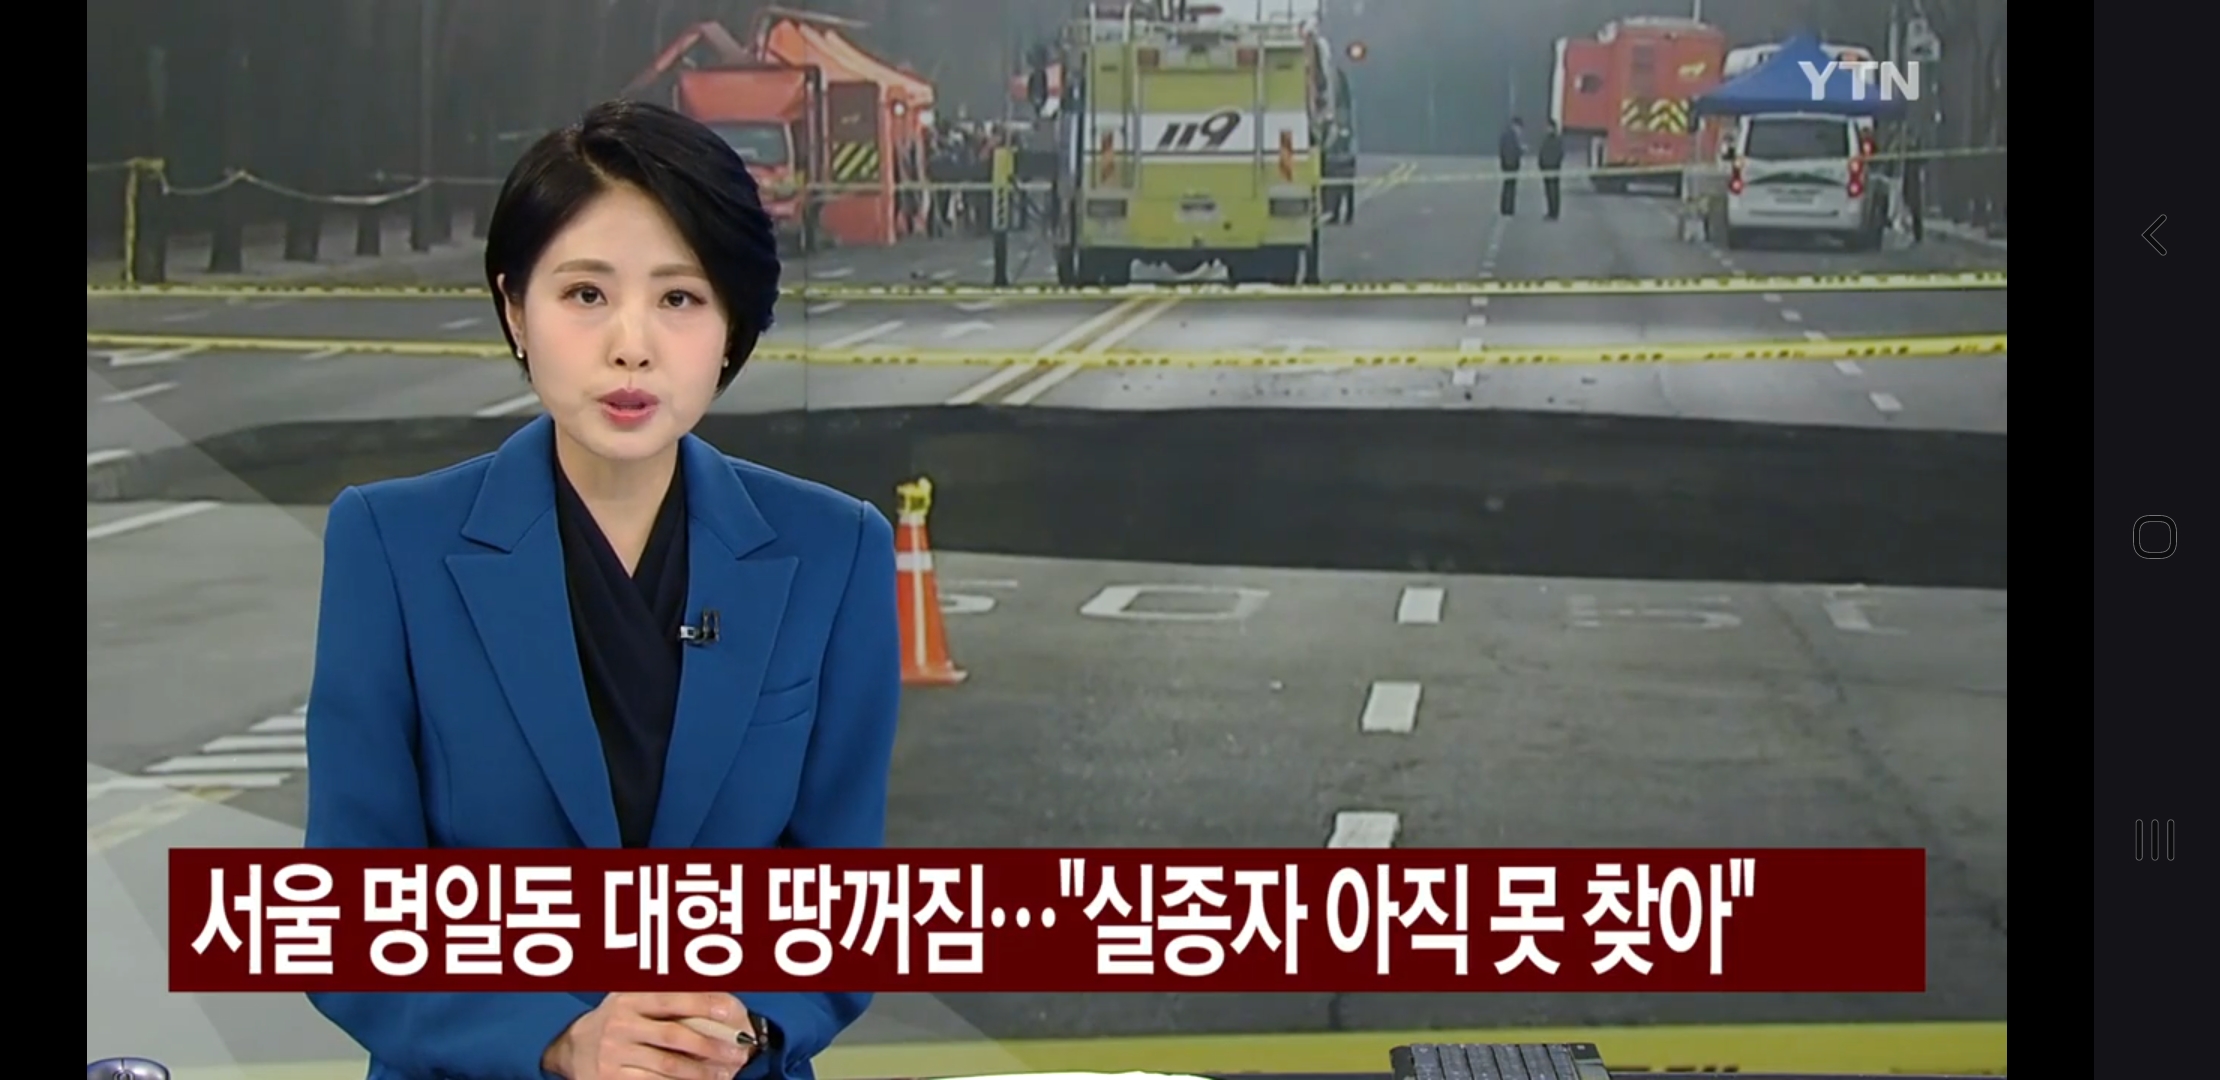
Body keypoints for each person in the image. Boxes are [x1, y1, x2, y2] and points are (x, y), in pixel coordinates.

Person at [302, 99, 900, 1080]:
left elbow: (843, 901)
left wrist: (744, 1025)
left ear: (732, 325)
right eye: (585, 293)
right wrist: (559, 1039)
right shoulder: (391, 546)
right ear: (514, 309)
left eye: (680, 298)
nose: (632, 344)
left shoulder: (836, 552)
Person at [1496, 117, 1526, 217]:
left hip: (1506, 164)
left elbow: (1503, 150)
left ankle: (1504, 208)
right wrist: (1521, 150)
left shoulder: (1505, 135)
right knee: (1510, 188)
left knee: (1506, 187)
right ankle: (1509, 208)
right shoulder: (1512, 136)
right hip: (1511, 165)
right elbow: (1512, 151)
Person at [1538, 119, 1565, 221]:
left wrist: (1555, 164)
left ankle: (1554, 212)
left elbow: (1560, 154)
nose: (1547, 129)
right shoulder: (1546, 140)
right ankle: (1551, 211)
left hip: (1553, 168)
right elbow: (1542, 153)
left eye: (1549, 127)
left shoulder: (1556, 140)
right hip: (1547, 168)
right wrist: (1541, 165)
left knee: (1553, 191)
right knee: (1549, 191)